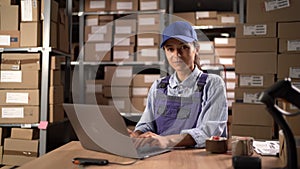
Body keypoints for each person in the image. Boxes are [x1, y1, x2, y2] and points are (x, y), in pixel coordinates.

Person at [128, 21, 228, 148]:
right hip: (160, 155)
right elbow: (147, 124)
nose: (177, 55)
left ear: (196, 49)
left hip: (198, 158)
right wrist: (136, 135)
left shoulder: (212, 84)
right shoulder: (158, 86)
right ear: (165, 51)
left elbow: (209, 133)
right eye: (170, 49)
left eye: (184, 47)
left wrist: (166, 141)